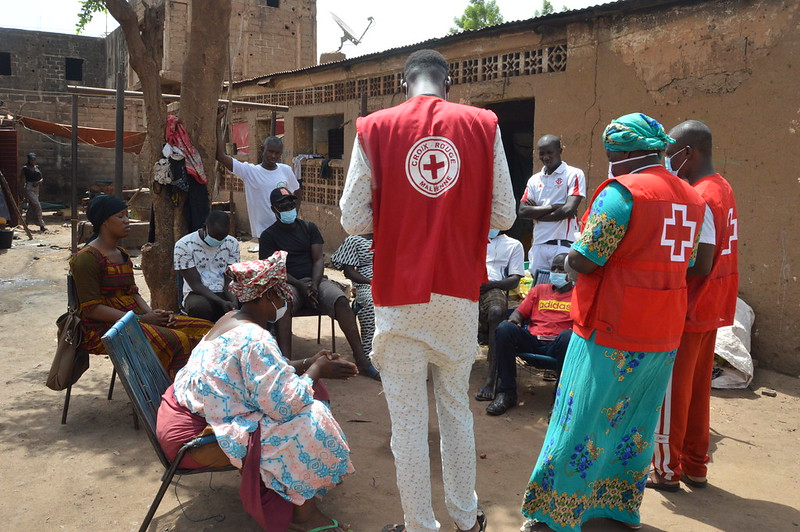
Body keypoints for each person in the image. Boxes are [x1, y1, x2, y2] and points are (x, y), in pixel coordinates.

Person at [340, 49, 516, 532]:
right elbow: (504, 214)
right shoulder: (483, 126)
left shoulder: (373, 129)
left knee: (409, 425)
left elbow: (354, 219)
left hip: (398, 298)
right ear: (448, 83)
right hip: (457, 296)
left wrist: (398, 209)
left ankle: (420, 525)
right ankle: (466, 518)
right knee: (456, 411)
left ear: (404, 85)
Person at [520, 113, 707, 531]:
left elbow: (586, 258)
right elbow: (689, 262)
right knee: (634, 425)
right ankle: (614, 508)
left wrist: (565, 259)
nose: (610, 163)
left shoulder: (622, 193)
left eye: (612, 155)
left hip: (610, 329)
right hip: (663, 333)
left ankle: (556, 514)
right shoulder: (693, 200)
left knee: (579, 419)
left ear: (625, 152)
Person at [156, 252, 358, 532]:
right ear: (265, 296)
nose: (285, 301)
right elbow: (285, 405)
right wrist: (316, 371)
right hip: (194, 438)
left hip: (180, 418)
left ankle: (298, 487)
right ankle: (304, 515)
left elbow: (263, 371)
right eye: (281, 294)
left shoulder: (231, 319)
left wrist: (308, 363)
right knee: (311, 419)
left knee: (307, 389)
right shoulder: (255, 338)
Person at [648, 120, 738, 492]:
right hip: (714, 304)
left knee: (674, 392)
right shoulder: (724, 187)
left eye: (672, 155)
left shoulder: (699, 196)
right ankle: (696, 465)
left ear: (689, 153)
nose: (669, 162)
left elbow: (700, 262)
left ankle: (667, 470)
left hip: (692, 304)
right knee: (699, 391)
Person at [70, 195, 212, 377]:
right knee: (176, 340)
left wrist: (150, 314)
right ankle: (162, 394)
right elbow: (92, 309)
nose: (127, 221)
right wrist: (140, 320)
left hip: (134, 318)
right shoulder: (86, 258)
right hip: (103, 329)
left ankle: (196, 385)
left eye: (127, 215)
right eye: (120, 217)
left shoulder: (121, 254)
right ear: (104, 221)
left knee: (206, 328)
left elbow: (133, 293)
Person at [260, 187, 379, 380]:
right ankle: (286, 365)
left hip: (315, 281)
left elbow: (317, 260)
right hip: (288, 282)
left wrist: (314, 285)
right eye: (283, 205)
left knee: (340, 300)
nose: (289, 207)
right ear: (274, 209)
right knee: (284, 304)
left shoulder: (309, 228)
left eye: (291, 203)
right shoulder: (268, 236)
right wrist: (301, 286)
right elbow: (274, 269)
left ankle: (362, 361)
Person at [486, 253, 573, 416]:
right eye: (553, 268)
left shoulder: (578, 296)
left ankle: (558, 402)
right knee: (505, 328)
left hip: (558, 344)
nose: (555, 272)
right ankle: (506, 393)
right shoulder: (539, 290)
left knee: (569, 336)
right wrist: (513, 321)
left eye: (560, 269)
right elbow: (518, 313)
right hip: (533, 339)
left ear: (571, 273)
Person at [215, 105, 301, 239]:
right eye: (270, 151)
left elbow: (297, 191)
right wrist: (217, 122)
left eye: (277, 153)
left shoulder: (285, 170)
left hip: (285, 230)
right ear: (262, 149)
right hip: (263, 234)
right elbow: (220, 156)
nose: (273, 156)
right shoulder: (250, 171)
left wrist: (294, 215)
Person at [518, 135, 586, 273]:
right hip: (539, 245)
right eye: (542, 153)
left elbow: (568, 210)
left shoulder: (574, 174)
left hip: (562, 244)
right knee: (539, 290)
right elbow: (523, 212)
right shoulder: (534, 180)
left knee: (562, 289)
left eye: (550, 152)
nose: (546, 157)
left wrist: (537, 214)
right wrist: (554, 207)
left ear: (560, 151)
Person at [475, 229, 524, 402]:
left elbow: (515, 280)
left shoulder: (513, 245)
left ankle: (491, 378)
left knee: (496, 312)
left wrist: (490, 284)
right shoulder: (470, 237)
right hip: (466, 284)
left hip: (493, 287)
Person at [173, 210, 240, 322]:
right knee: (200, 307)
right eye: (215, 237)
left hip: (224, 290)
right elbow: (196, 284)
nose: (219, 241)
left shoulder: (232, 243)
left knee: (250, 301)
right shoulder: (184, 245)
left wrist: (233, 301)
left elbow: (229, 279)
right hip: (197, 293)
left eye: (222, 237)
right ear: (205, 227)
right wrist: (221, 302)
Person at [331, 232, 376, 363]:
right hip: (366, 284)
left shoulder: (389, 236)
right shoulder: (354, 240)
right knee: (372, 303)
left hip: (392, 283)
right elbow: (349, 271)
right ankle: (368, 358)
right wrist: (371, 282)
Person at [19, 152, 46, 232]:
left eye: (34, 159)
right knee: (37, 206)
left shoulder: (37, 167)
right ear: (29, 160)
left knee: (31, 207)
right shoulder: (25, 168)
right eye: (31, 160)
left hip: (36, 188)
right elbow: (21, 179)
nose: (33, 161)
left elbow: (42, 178)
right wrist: (21, 191)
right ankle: (41, 225)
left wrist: (38, 182)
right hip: (29, 187)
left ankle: (26, 223)